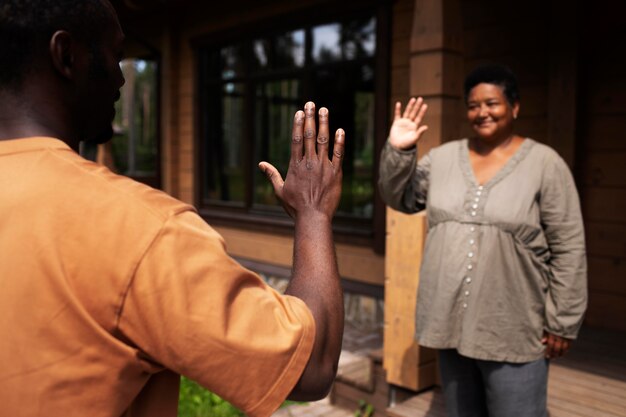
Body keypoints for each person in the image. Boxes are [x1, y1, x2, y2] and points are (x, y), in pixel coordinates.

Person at [0, 1, 346, 416]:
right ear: (66, 55)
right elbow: (311, 366)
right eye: (115, 54)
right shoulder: (137, 227)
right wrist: (313, 211)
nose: (122, 77)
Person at [378, 64, 587, 417]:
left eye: (492, 103)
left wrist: (562, 320)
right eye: (473, 105)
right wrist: (399, 151)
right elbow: (399, 197)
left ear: (515, 107)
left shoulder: (545, 164)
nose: (482, 112)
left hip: (513, 327)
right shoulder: (443, 159)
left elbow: (568, 245)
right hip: (450, 325)